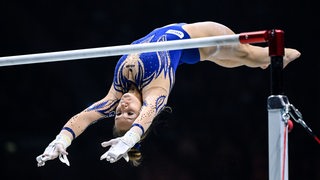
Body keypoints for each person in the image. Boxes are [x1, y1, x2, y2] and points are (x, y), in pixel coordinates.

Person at [36, 21, 301, 167]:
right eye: (130, 113)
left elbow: (84, 117)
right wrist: (130, 139)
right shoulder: (156, 92)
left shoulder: (116, 94)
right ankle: (276, 56)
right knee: (250, 55)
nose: (123, 106)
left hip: (190, 51)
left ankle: (270, 59)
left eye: (119, 112)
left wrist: (61, 140)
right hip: (201, 37)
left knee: (245, 58)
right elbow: (148, 114)